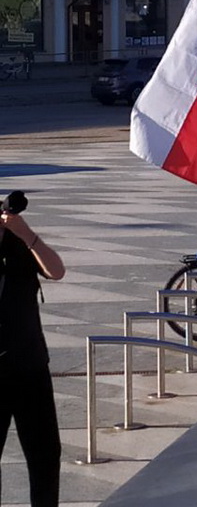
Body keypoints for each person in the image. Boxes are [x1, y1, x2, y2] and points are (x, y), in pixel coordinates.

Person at [0, 194, 66, 507]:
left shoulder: (20, 245)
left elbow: (56, 271)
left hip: (30, 367)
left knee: (45, 455)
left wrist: (27, 234)